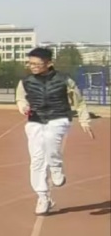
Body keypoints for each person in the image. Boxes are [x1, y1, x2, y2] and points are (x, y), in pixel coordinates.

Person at [15, 47, 94, 215]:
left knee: (51, 139)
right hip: (35, 120)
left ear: (48, 63)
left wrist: (84, 120)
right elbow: (20, 98)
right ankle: (43, 197)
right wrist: (23, 106)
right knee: (36, 160)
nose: (32, 66)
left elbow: (79, 101)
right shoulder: (25, 81)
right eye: (30, 63)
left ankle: (56, 168)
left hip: (59, 117)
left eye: (36, 64)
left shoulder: (65, 80)